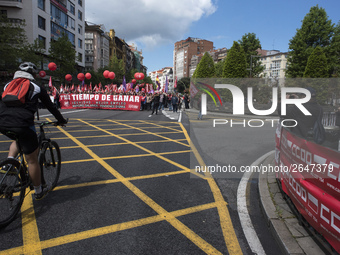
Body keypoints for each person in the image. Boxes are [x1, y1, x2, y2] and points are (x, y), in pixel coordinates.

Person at [0, 62, 68, 200]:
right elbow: (50, 106)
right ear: (33, 74)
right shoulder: (36, 86)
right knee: (32, 160)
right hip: (23, 123)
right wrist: (61, 120)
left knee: (17, 138)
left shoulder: (8, 84)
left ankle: (9, 162)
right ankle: (38, 191)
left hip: (3, 123)